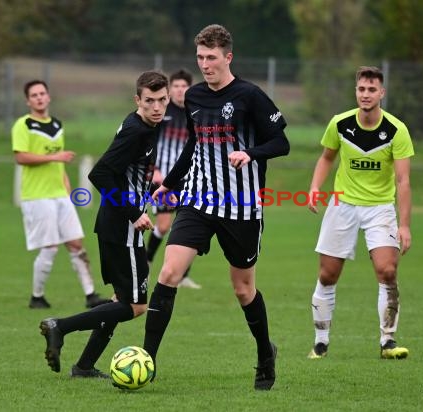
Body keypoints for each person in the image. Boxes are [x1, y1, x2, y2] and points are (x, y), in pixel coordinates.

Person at [143, 24, 290, 390]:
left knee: (243, 290)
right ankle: (147, 361)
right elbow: (193, 147)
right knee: (168, 274)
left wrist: (250, 153)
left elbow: (281, 142)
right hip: (197, 200)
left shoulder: (250, 96)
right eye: (200, 57)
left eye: (211, 57)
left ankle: (264, 355)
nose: (205, 64)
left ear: (228, 57)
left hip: (241, 207)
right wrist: (168, 185)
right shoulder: (192, 96)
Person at [38, 70, 169, 378]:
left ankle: (84, 366)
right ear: (138, 99)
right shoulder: (136, 131)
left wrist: (151, 191)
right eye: (149, 101)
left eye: (161, 100)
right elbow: (100, 174)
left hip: (115, 224)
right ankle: (61, 327)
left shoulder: (146, 126)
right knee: (135, 306)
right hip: (123, 227)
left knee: (120, 299)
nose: (156, 107)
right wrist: (134, 212)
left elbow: (124, 175)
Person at [306, 66, 414, 360]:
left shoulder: (396, 130)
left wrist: (404, 226)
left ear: (382, 93)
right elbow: (326, 157)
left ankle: (388, 341)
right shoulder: (340, 124)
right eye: (361, 89)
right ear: (356, 91)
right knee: (328, 274)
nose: (366, 95)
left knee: (387, 271)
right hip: (342, 204)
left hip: (380, 208)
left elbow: (403, 181)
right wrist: (315, 186)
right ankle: (321, 342)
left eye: (371, 89)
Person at [11, 80, 108, 309]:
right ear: (28, 101)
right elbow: (21, 157)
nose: (39, 98)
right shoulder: (23, 125)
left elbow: (60, 165)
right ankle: (37, 296)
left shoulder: (56, 125)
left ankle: (91, 295)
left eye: (42, 93)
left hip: (60, 195)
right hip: (37, 196)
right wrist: (55, 157)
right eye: (34, 95)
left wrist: (67, 188)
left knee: (76, 243)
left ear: (49, 97)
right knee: (51, 246)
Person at [147, 68, 202, 289]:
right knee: (163, 224)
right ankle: (148, 261)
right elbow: (149, 141)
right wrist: (154, 169)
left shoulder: (196, 112)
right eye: (176, 86)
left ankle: (183, 274)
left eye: (184, 86)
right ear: (171, 90)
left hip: (190, 180)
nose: (180, 91)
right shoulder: (163, 111)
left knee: (190, 225)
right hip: (164, 179)